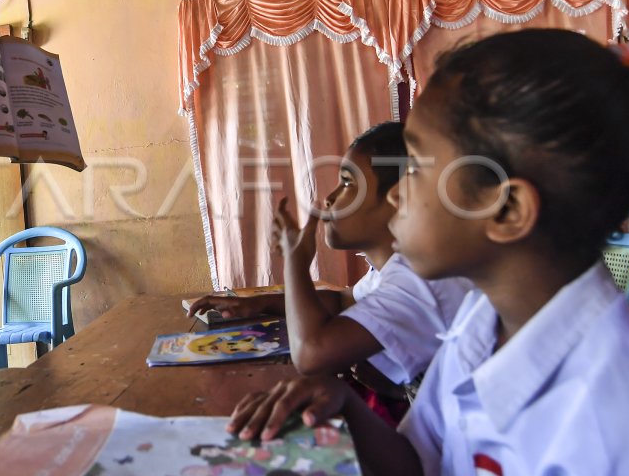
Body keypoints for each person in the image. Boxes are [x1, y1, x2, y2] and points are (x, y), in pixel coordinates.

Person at [228, 30, 629, 476]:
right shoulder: (482, 325)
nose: (398, 194)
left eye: (419, 167)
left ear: (507, 209)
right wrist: (345, 407)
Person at [190, 123, 472, 414]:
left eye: (348, 183)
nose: (330, 198)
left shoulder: (419, 278)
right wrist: (255, 304)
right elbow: (343, 301)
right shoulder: (394, 269)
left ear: (398, 199)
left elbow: (310, 355)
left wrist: (296, 262)